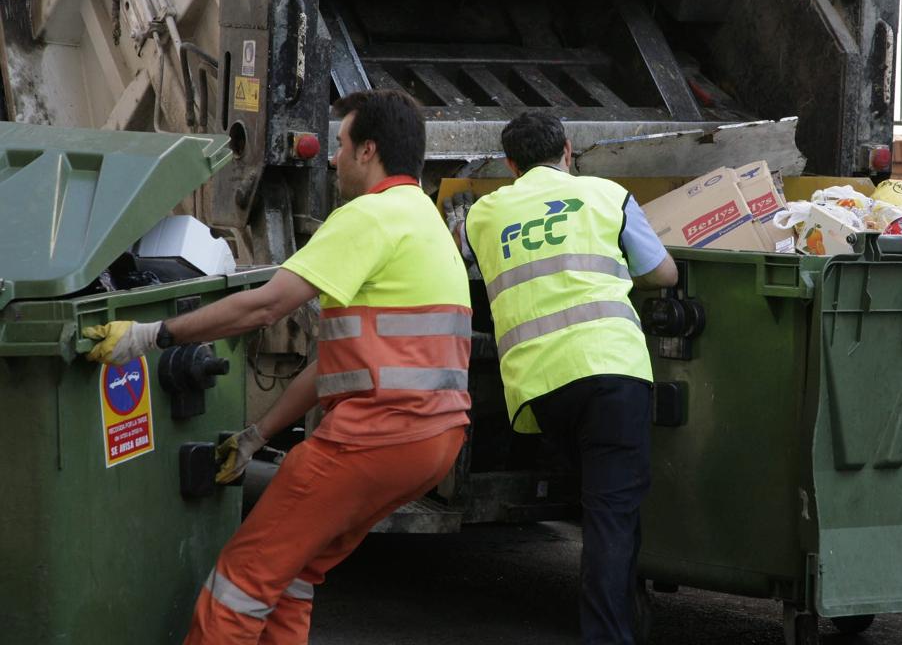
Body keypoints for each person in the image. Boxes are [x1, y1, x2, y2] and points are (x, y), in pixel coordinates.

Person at [85, 90, 473, 644]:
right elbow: (332, 366)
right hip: (433, 443)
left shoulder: (369, 216)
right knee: (294, 572)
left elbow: (267, 305)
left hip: (372, 438)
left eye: (340, 145)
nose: (331, 158)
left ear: (368, 151)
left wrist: (153, 334)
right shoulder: (426, 222)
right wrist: (256, 435)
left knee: (241, 581)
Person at [451, 110, 677, 645]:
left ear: (511, 164)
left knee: (605, 508)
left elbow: (455, 247)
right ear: (568, 151)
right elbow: (663, 273)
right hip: (614, 374)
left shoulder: (485, 214)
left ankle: (623, 619)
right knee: (610, 514)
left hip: (540, 389)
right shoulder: (606, 196)